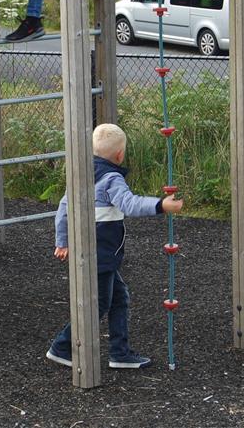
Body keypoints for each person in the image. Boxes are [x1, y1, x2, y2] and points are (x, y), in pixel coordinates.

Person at [45, 123, 184, 370]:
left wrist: (62, 240)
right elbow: (129, 204)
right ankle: (62, 346)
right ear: (120, 155)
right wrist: (161, 205)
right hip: (102, 253)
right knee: (99, 303)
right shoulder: (111, 179)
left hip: (93, 251)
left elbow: (64, 209)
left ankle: (120, 353)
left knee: (120, 297)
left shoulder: (80, 174)